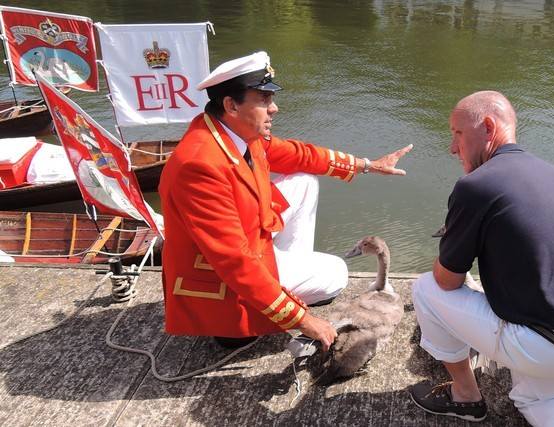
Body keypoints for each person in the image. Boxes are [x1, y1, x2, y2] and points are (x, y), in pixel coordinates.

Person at [158, 51, 412, 351]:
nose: (274, 108)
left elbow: (299, 154)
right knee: (336, 273)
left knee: (303, 181)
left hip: (248, 245)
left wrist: (367, 165)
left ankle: (285, 272)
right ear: (231, 105)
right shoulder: (199, 166)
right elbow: (233, 262)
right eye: (264, 99)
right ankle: (261, 309)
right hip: (224, 287)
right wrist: (302, 319)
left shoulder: (228, 131)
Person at [409, 91, 554, 426]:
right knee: (534, 398)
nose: (452, 147)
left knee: (424, 289)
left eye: (457, 133)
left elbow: (447, 281)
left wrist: (453, 242)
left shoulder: (475, 186)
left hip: (544, 349)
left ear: (488, 126)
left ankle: (465, 396)